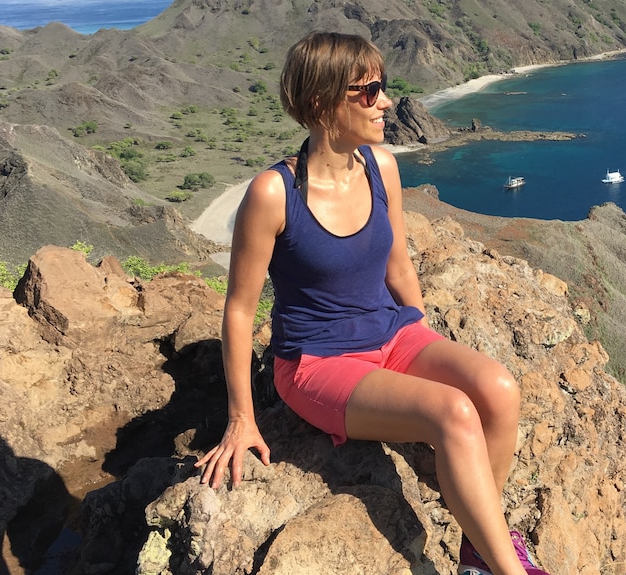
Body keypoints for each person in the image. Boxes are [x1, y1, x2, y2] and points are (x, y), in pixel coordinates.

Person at [194, 31, 550, 575]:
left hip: (392, 335)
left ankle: (479, 549)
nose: (387, 102)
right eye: (369, 91)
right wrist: (242, 418)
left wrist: (425, 341)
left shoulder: (381, 167)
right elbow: (239, 310)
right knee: (452, 413)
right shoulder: (274, 192)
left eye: (382, 88)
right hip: (317, 362)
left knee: (499, 390)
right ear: (321, 104)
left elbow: (399, 265)